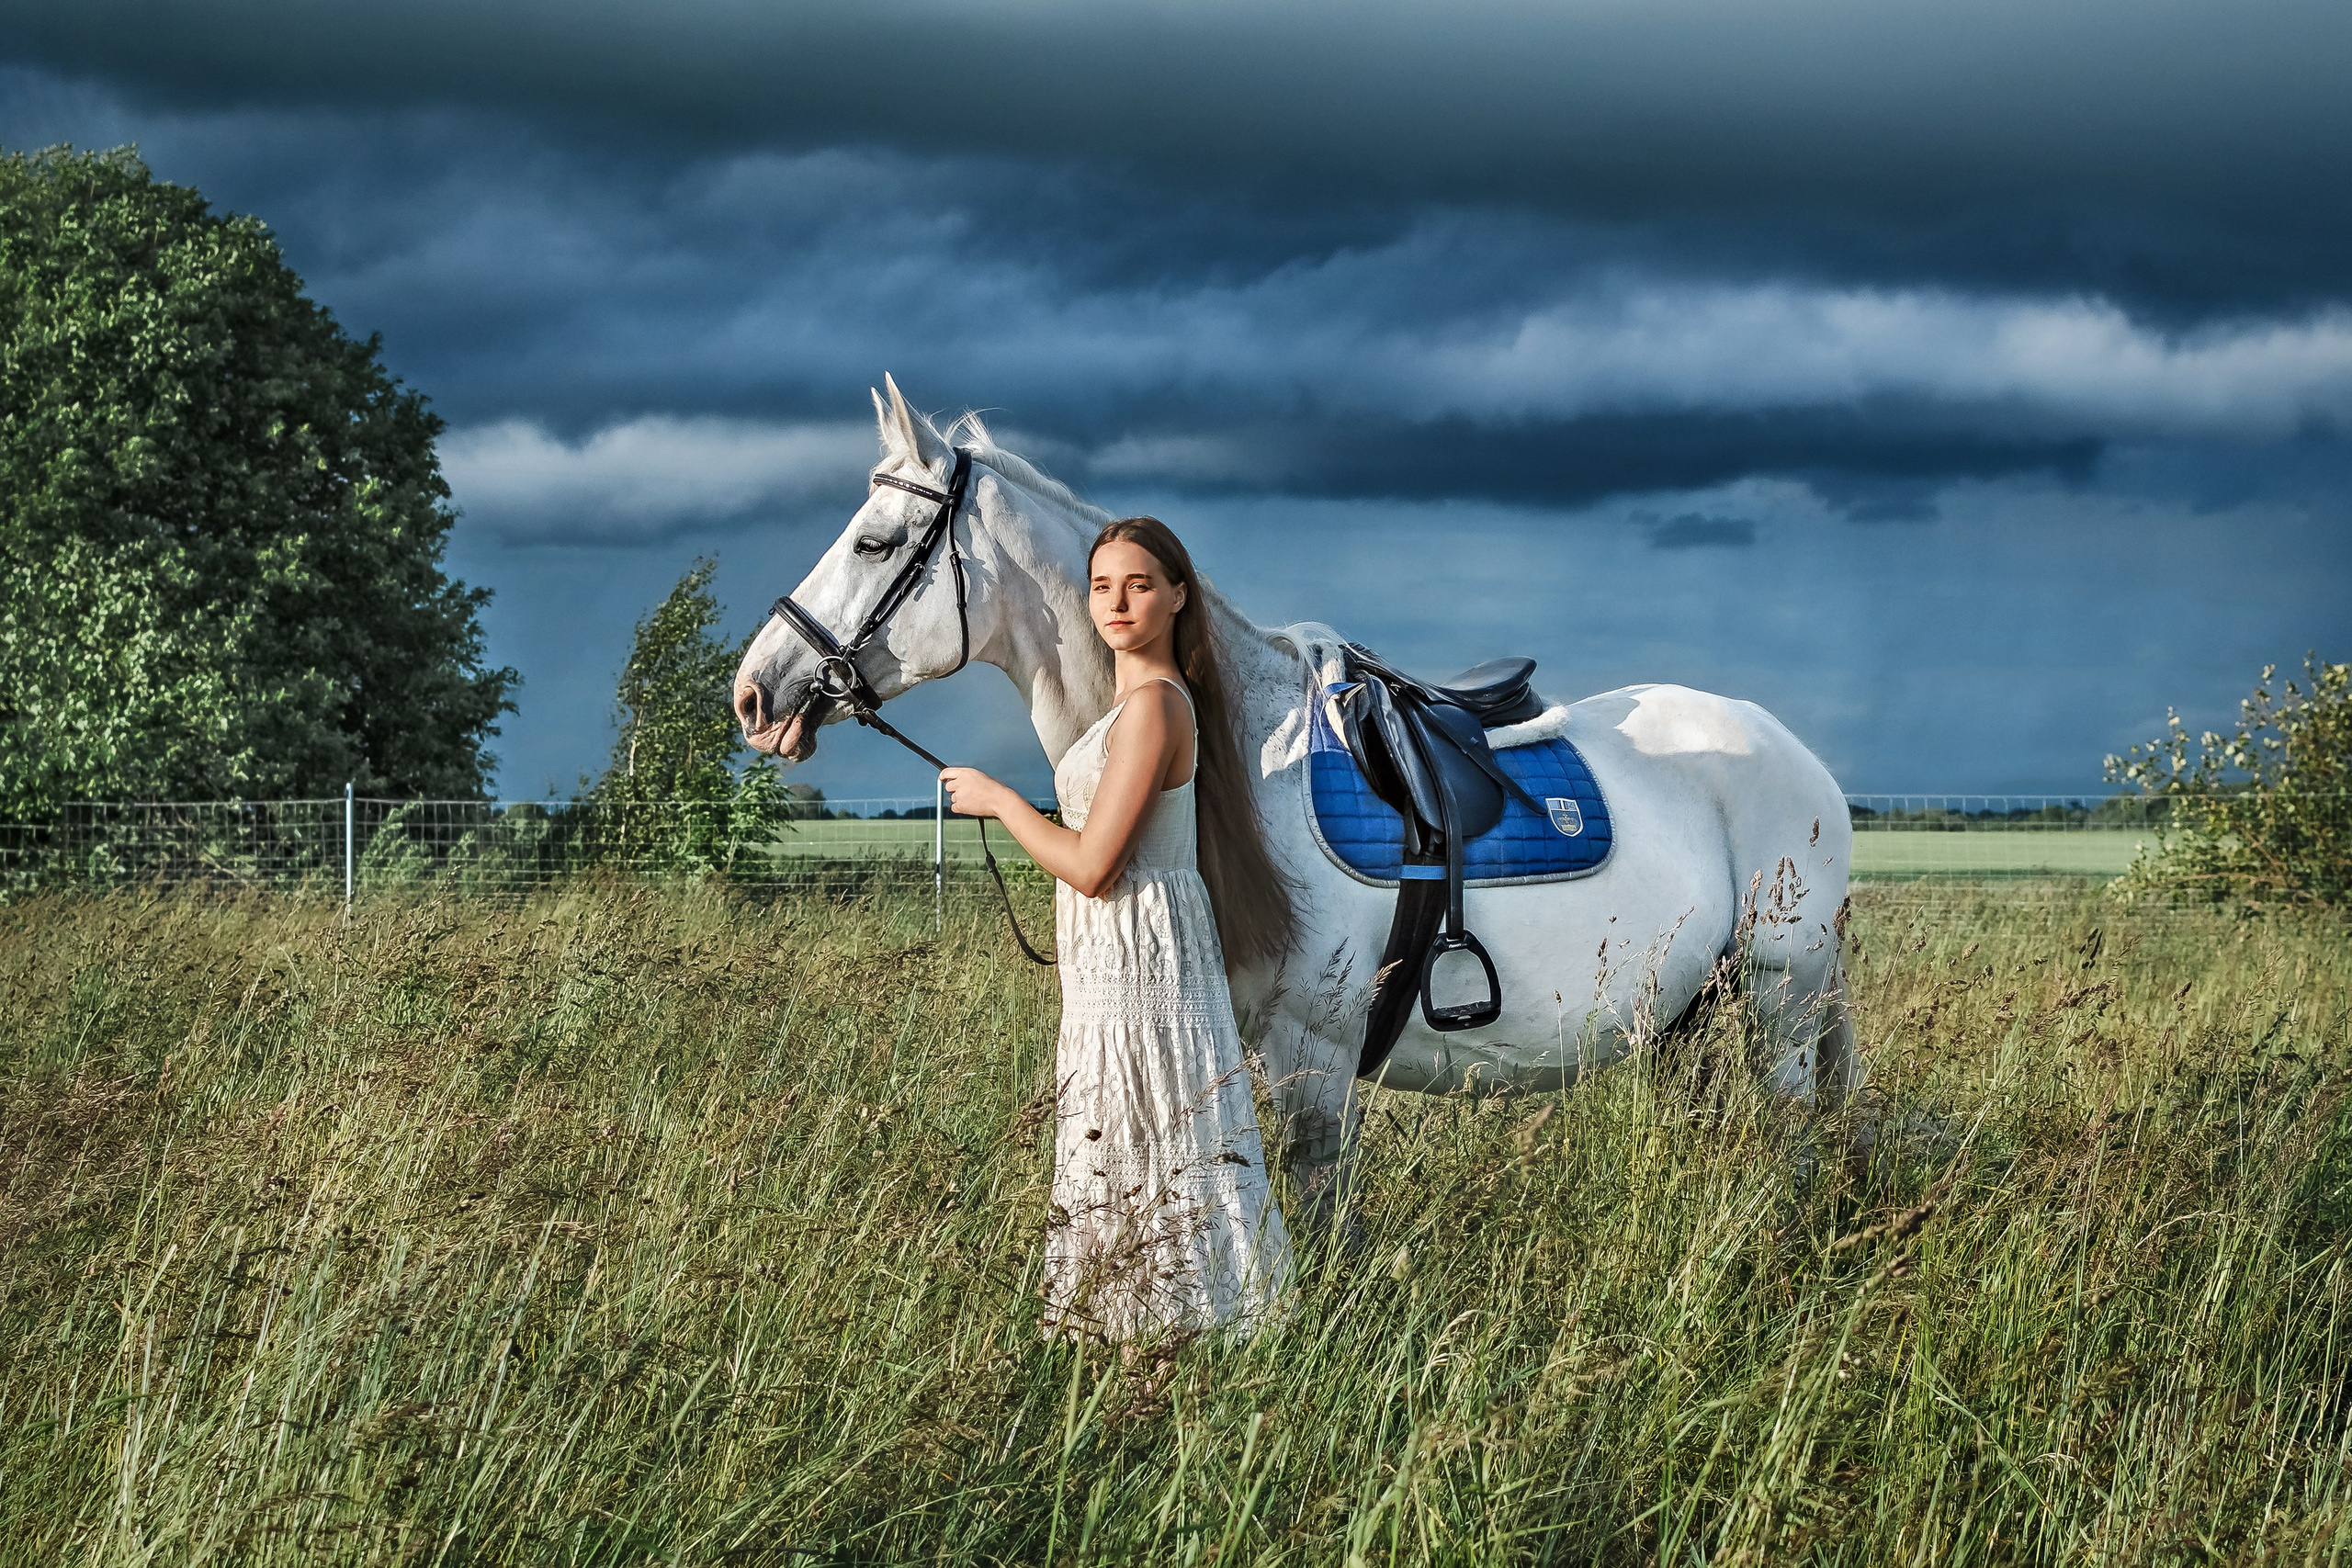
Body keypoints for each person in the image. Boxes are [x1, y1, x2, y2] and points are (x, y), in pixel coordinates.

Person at [940, 516, 1296, 1341]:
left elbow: (1096, 863)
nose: (1116, 602)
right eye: (1102, 585)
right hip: (1119, 953)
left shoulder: (1156, 709)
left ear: (1177, 596)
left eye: (1138, 584)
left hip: (1141, 948)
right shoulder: (1136, 707)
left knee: (1148, 1120)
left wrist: (1002, 803)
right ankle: (1132, 1324)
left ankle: (1173, 1326)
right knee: (1122, 1128)